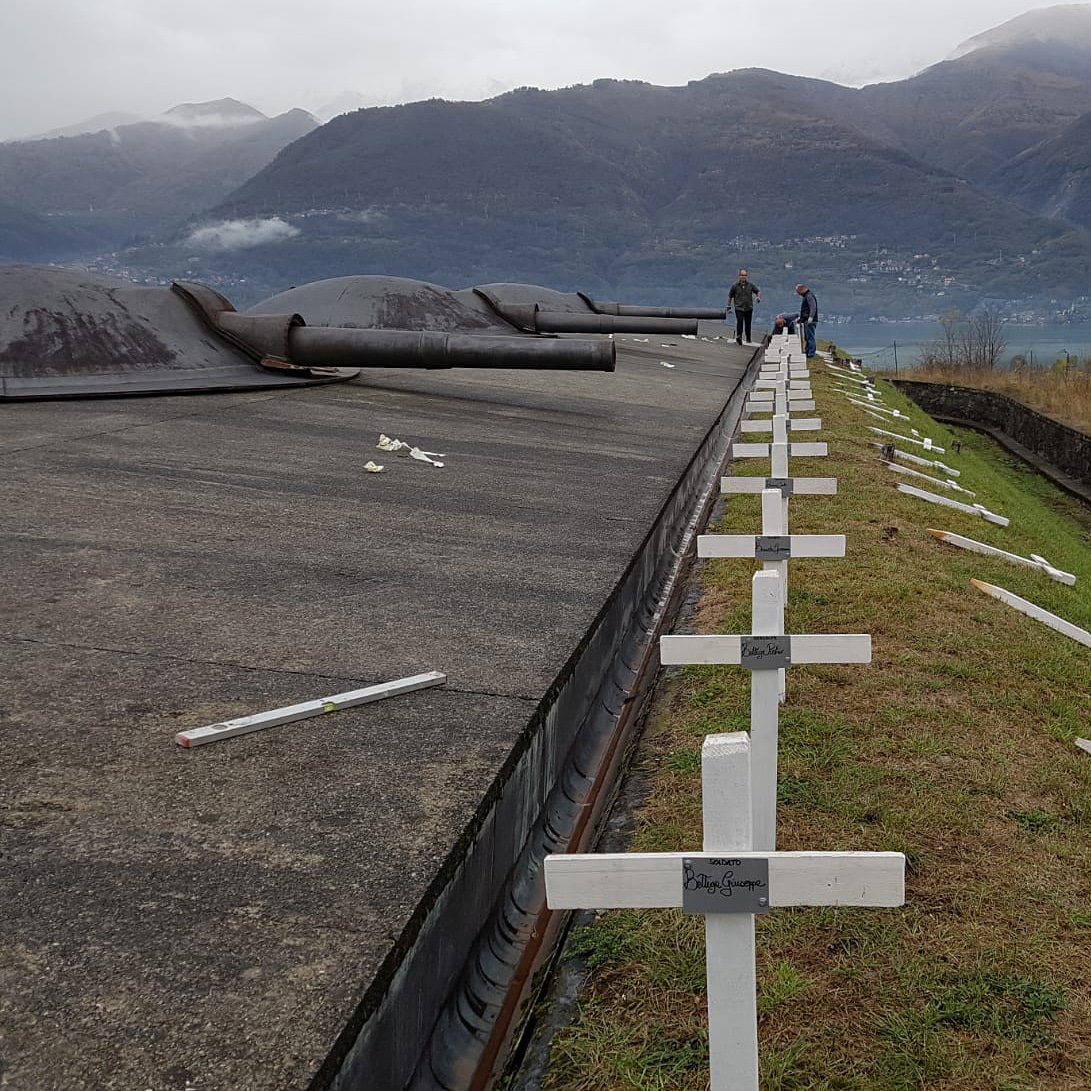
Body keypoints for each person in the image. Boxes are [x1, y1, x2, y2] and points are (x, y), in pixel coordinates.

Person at [726, 269, 760, 346]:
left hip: (748, 308)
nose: (743, 277)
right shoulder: (735, 286)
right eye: (742, 275)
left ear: (746, 276)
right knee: (740, 321)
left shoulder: (750, 285)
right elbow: (730, 296)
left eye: (745, 275)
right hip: (739, 307)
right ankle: (739, 337)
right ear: (739, 276)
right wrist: (728, 306)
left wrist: (758, 297)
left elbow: (757, 291)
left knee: (748, 324)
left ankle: (748, 338)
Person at [795, 283, 818, 358]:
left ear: (801, 290)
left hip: (810, 321)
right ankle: (808, 351)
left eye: (798, 292)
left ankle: (811, 353)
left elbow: (813, 307)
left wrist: (810, 317)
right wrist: (801, 319)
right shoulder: (807, 296)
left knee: (810, 337)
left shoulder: (809, 296)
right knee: (807, 337)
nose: (798, 294)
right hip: (806, 320)